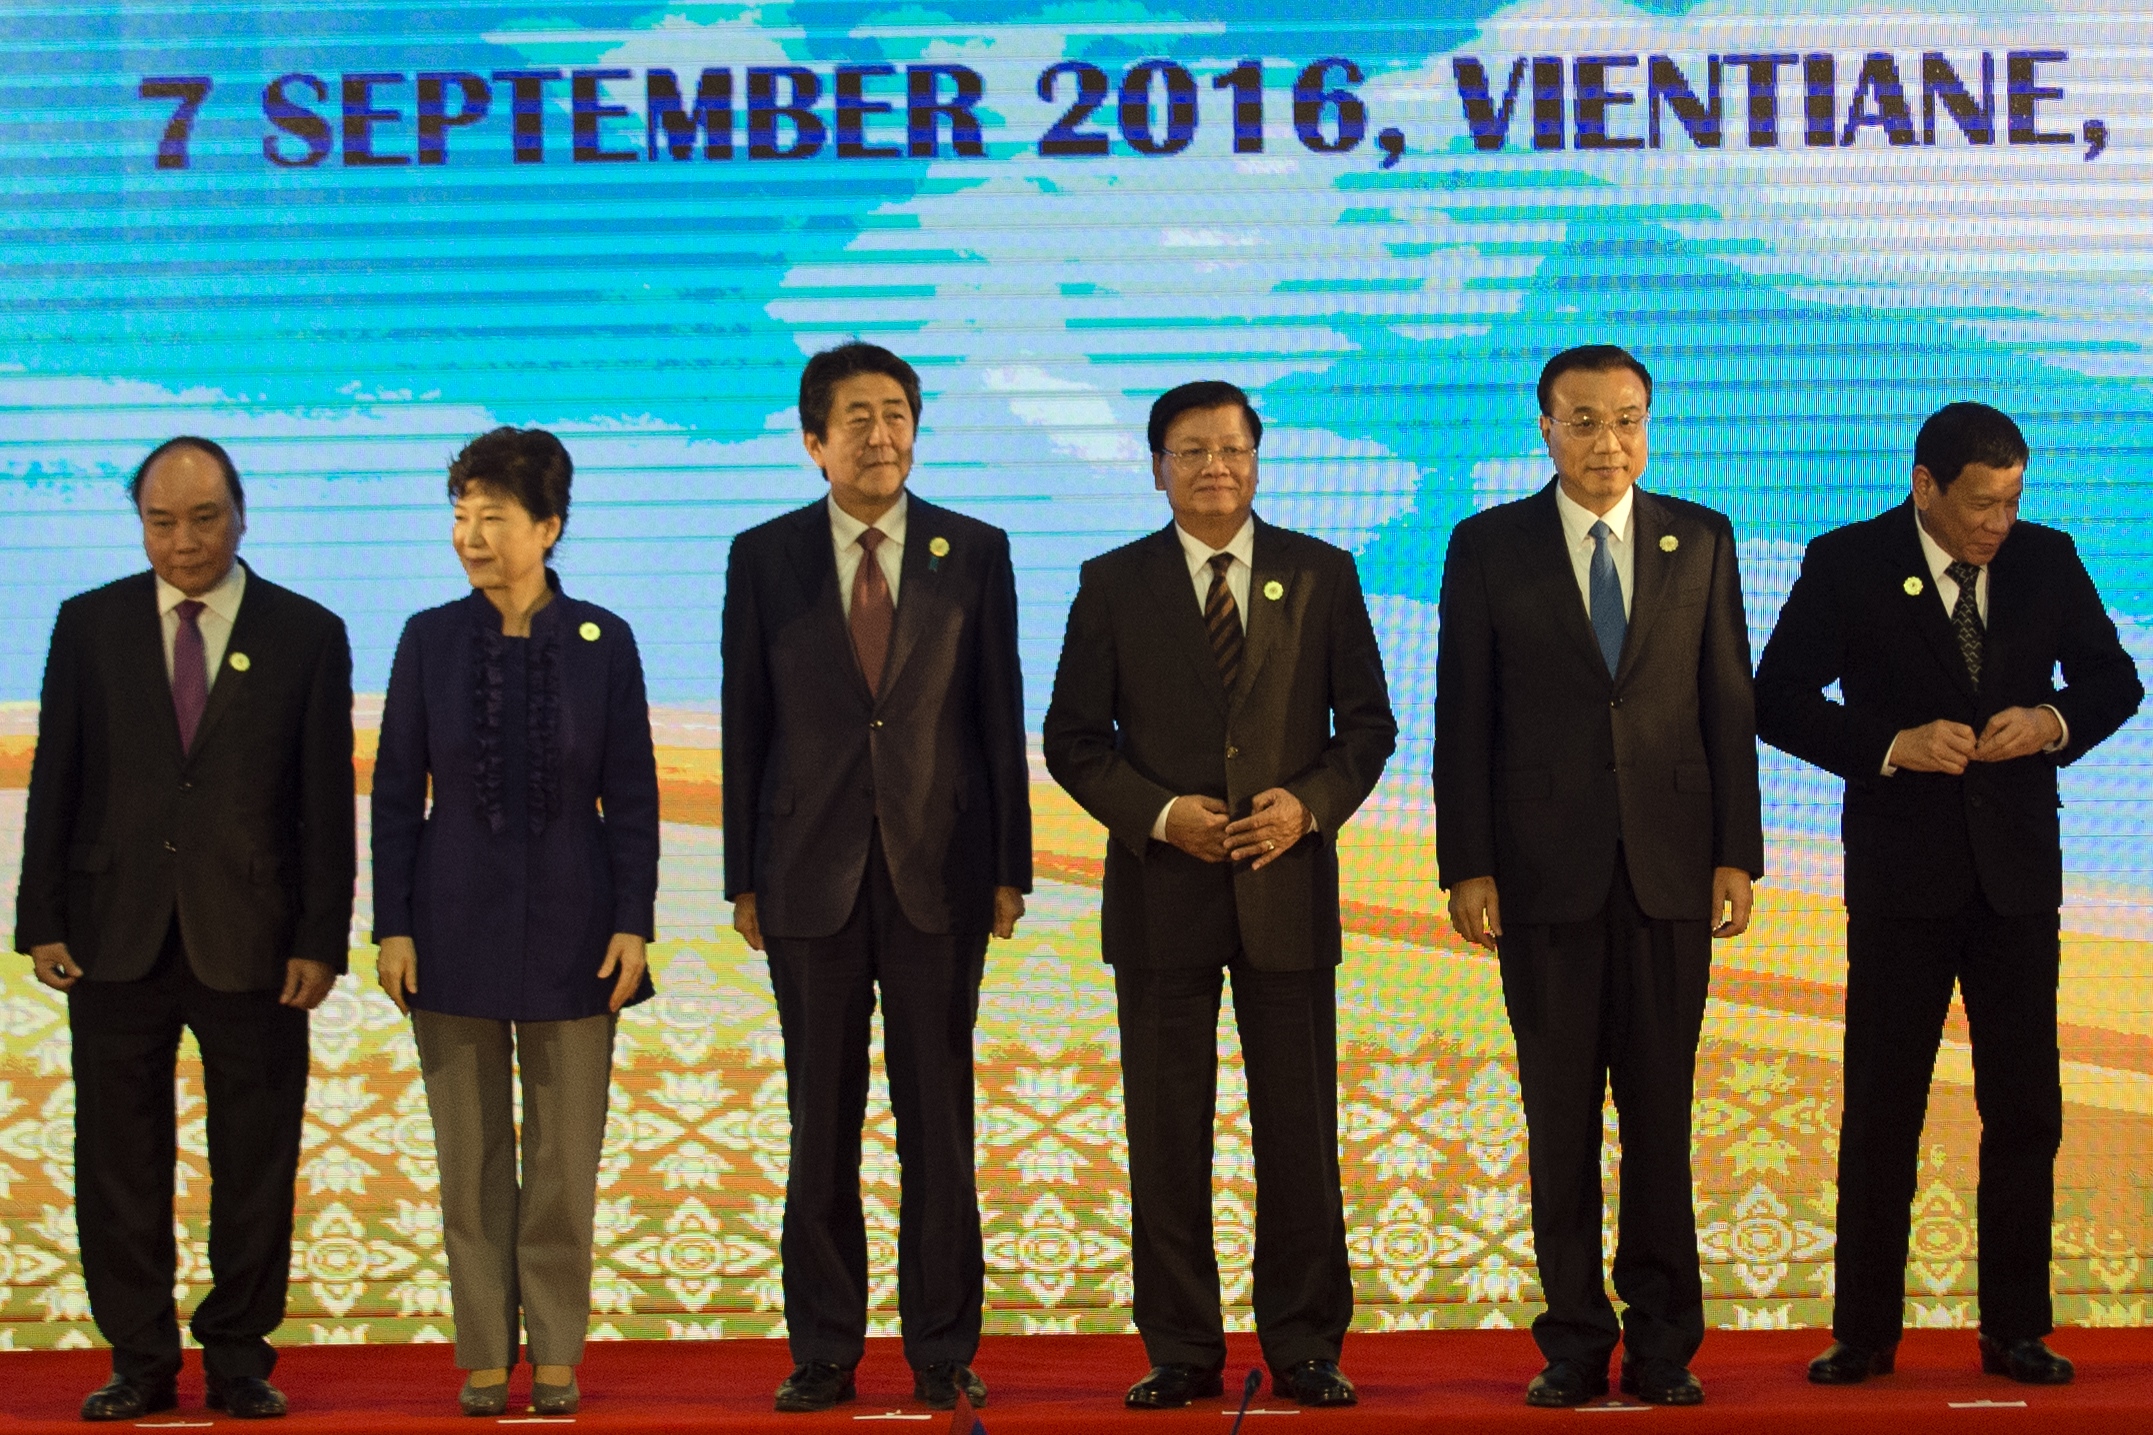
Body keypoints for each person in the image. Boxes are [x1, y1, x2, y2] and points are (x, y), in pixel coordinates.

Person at [1754, 402, 2140, 1387]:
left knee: (2024, 1111)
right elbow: (1776, 696)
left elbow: (2113, 681)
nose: (1994, 525)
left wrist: (2050, 721)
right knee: (1881, 1108)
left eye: (2010, 501)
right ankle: (1863, 1333)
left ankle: (2014, 1328)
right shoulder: (1844, 561)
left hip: (2014, 881)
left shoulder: (2045, 559)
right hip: (1898, 880)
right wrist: (1887, 747)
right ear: (1923, 484)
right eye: (1978, 503)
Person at [1043, 380, 1395, 1411]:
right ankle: (1181, 1349)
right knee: (1166, 1133)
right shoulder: (1112, 584)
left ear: (1257, 459)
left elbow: (1365, 727)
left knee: (1297, 1131)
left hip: (1286, 891)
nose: (1214, 467)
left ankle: (1303, 1345)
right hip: (1162, 896)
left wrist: (1308, 808)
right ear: (1155, 466)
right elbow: (1072, 740)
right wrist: (1158, 816)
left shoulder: (1317, 573)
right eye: (1190, 450)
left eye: (1232, 448)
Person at [1435, 346, 1763, 1408]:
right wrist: (1468, 861)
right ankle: (1573, 1339)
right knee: (1560, 1116)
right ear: (1543, 426)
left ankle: (1664, 1342)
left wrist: (1734, 851)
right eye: (1582, 422)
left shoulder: (1699, 537)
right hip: (1540, 876)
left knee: (1659, 1115)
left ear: (1647, 425)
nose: (1605, 444)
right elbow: (1462, 717)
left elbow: (1726, 704)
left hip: (1670, 867)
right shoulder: (1487, 545)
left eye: (1625, 421)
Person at [15, 437, 354, 1422]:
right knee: (116, 1156)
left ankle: (240, 1355)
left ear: (241, 514)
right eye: (161, 521)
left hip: (253, 938)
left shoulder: (305, 631)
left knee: (256, 1151)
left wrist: (320, 938)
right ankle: (139, 1355)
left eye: (203, 518)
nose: (183, 541)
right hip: (113, 931)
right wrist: (41, 918)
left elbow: (323, 803)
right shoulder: (90, 624)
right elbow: (59, 778)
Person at [722, 343, 1031, 1415]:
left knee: (938, 1121)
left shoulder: (973, 550)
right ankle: (823, 1348)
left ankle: (942, 1346)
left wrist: (1007, 868)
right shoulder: (763, 558)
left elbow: (996, 716)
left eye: (895, 413)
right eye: (854, 417)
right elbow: (744, 724)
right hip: (805, 878)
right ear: (813, 441)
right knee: (820, 1120)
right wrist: (740, 877)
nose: (879, 434)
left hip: (937, 875)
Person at [371, 427, 659, 1418]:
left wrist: (633, 920)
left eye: (492, 515)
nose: (471, 535)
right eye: (460, 514)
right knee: (471, 1156)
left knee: (564, 1157)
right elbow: (394, 791)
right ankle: (485, 1349)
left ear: (548, 525)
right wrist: (392, 925)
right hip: (447, 922)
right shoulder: (426, 638)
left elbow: (632, 793)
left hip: (580, 927)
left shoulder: (603, 640)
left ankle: (559, 1349)